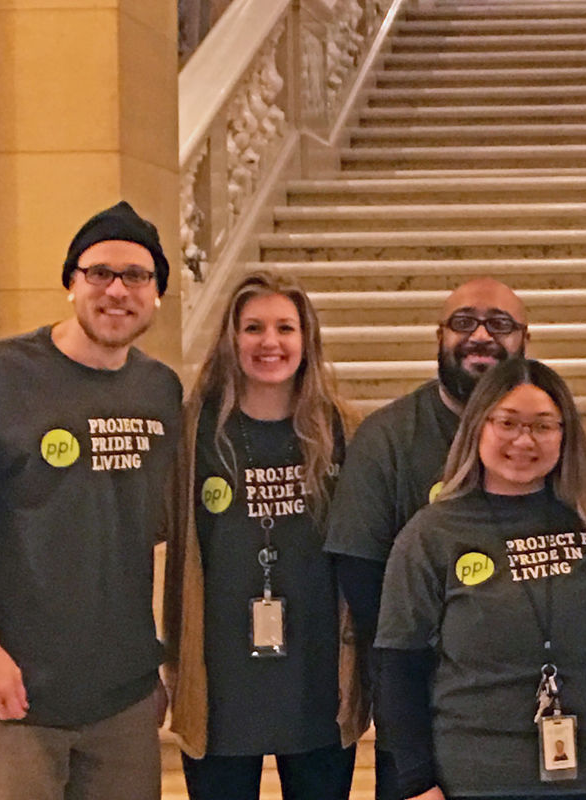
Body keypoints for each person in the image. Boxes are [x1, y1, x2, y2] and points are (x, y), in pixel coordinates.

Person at [0, 201, 182, 800]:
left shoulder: (161, 390)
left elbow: (154, 529)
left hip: (122, 699)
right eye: (99, 272)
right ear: (70, 282)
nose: (117, 290)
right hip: (11, 693)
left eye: (136, 276)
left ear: (157, 293)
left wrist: (158, 669)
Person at [375, 358, 586, 800]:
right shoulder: (431, 534)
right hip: (477, 779)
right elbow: (397, 666)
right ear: (478, 426)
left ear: (565, 434)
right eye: (508, 422)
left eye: (543, 426)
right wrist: (417, 784)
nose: (523, 440)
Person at [162, 272, 368, 799]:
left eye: (285, 328)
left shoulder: (344, 429)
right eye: (252, 327)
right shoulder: (193, 430)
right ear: (230, 338)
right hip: (221, 684)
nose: (269, 342)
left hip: (317, 680)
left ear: (307, 339)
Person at [324, 277, 528, 797]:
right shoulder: (387, 438)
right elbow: (362, 578)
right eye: (463, 322)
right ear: (438, 335)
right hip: (421, 712)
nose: (480, 335)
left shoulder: (544, 439)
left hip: (518, 719)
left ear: (527, 340)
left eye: (499, 324)